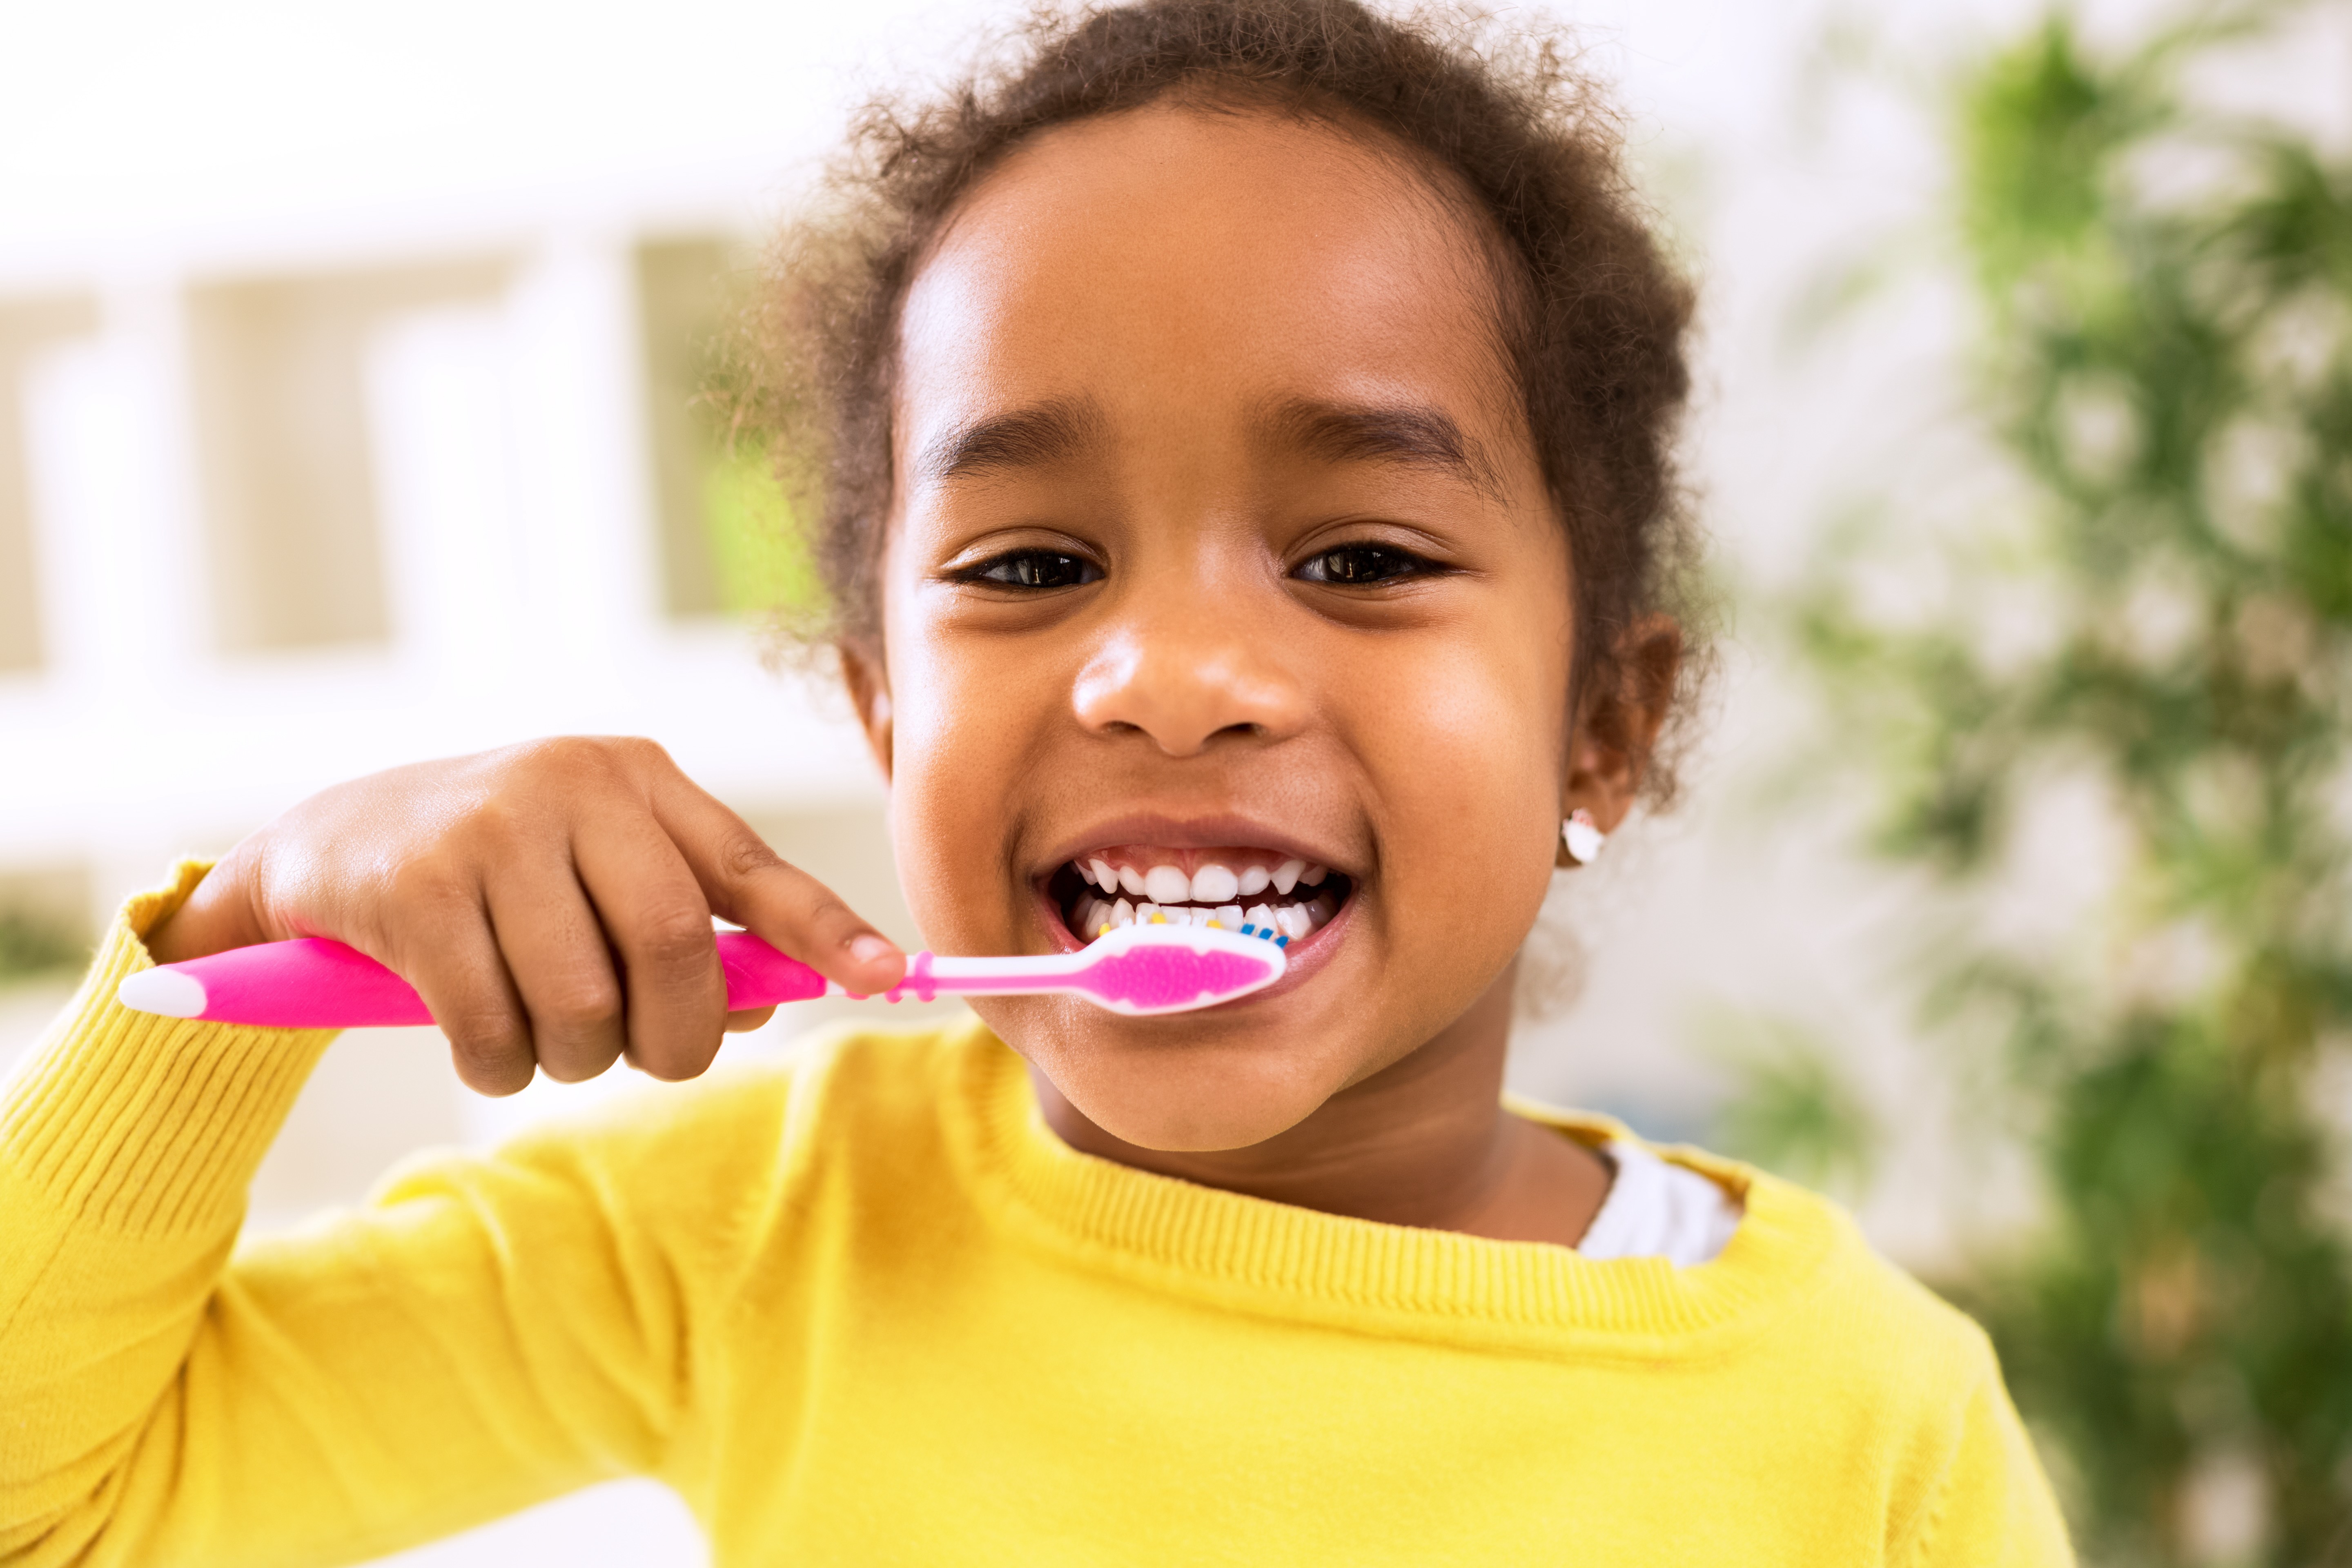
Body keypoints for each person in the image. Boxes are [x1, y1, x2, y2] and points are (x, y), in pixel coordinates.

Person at [0, 0, 2073, 1560]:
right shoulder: (759, 1228)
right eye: (1031, 568)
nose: (1168, 676)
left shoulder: (1861, 1421)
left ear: (1598, 729)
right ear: (883, 709)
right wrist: (249, 931)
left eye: (1358, 558)